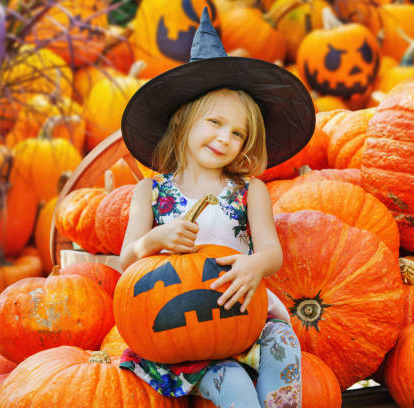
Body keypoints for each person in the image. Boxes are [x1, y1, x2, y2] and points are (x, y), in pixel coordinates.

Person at [117, 7, 315, 408]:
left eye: (238, 132)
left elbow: (270, 251)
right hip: (181, 327)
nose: (225, 137)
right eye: (214, 122)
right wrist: (155, 239)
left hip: (245, 311)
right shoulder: (150, 192)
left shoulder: (249, 191)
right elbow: (127, 260)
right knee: (237, 389)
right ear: (182, 122)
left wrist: (255, 266)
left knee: (284, 346)